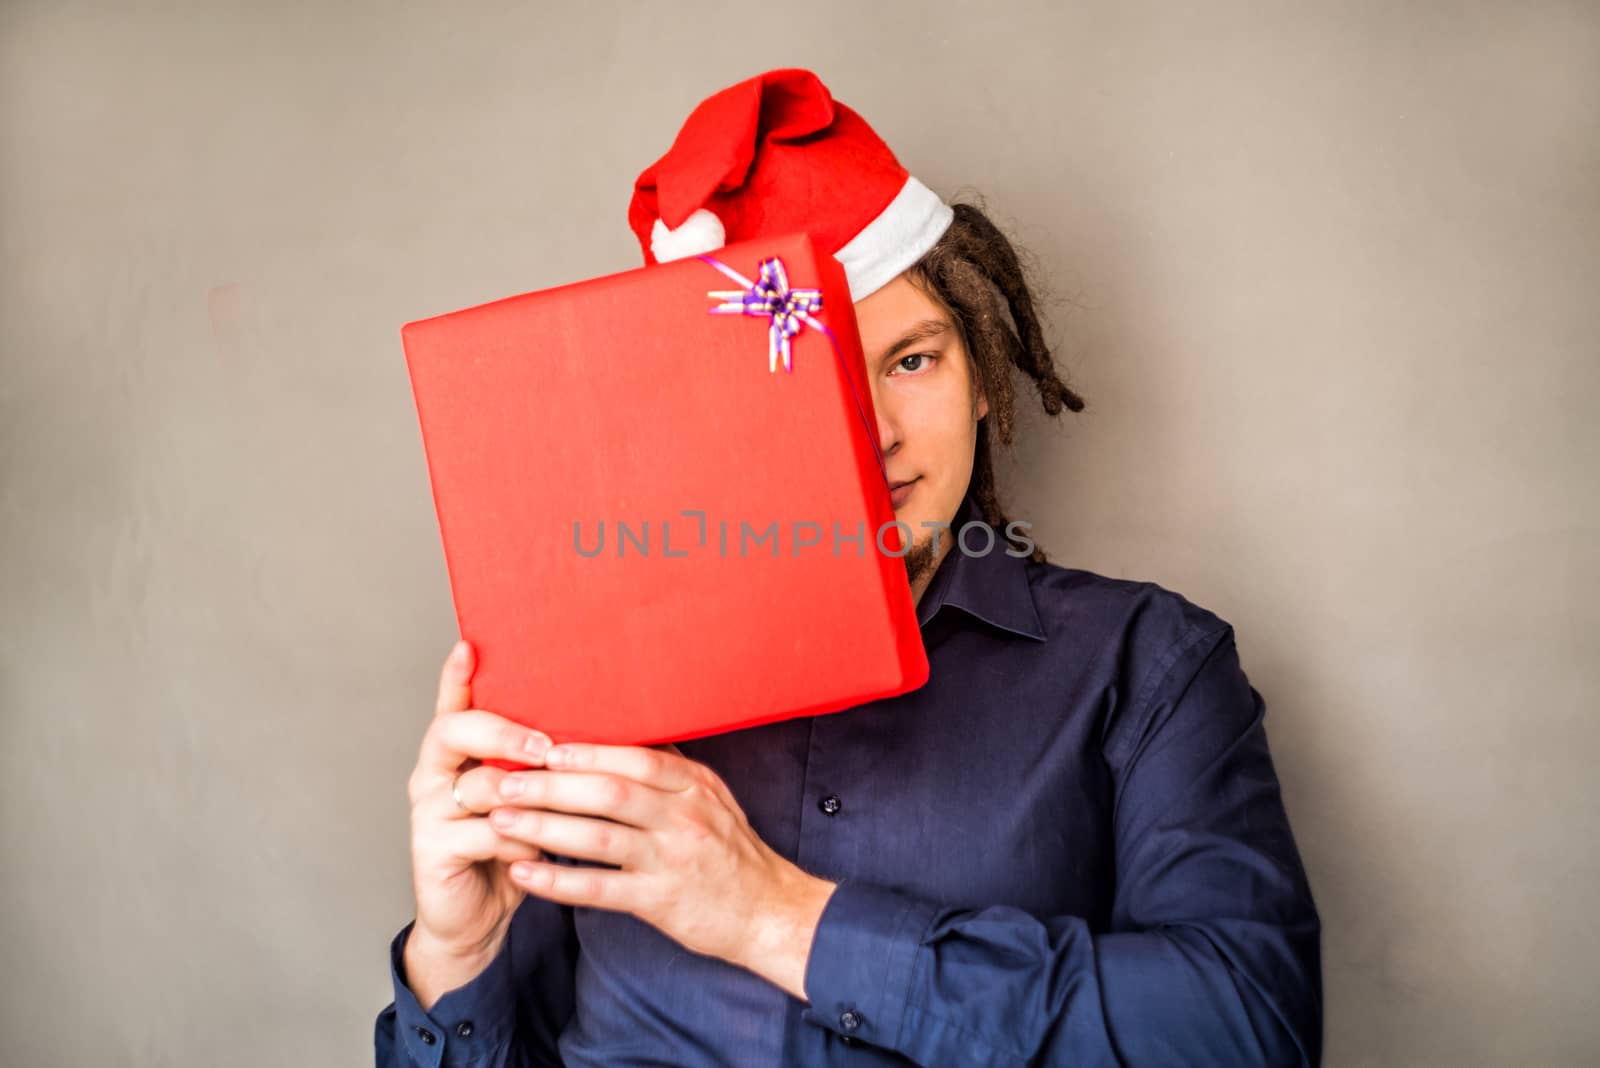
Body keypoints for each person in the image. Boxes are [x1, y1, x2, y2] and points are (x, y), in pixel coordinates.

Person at [375, 68, 1322, 1067]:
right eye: (813, 375)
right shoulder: (592, 688)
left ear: (984, 381)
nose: (872, 434)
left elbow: (1249, 1033)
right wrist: (459, 951)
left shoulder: (1146, 665)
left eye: (912, 361)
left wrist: (775, 918)